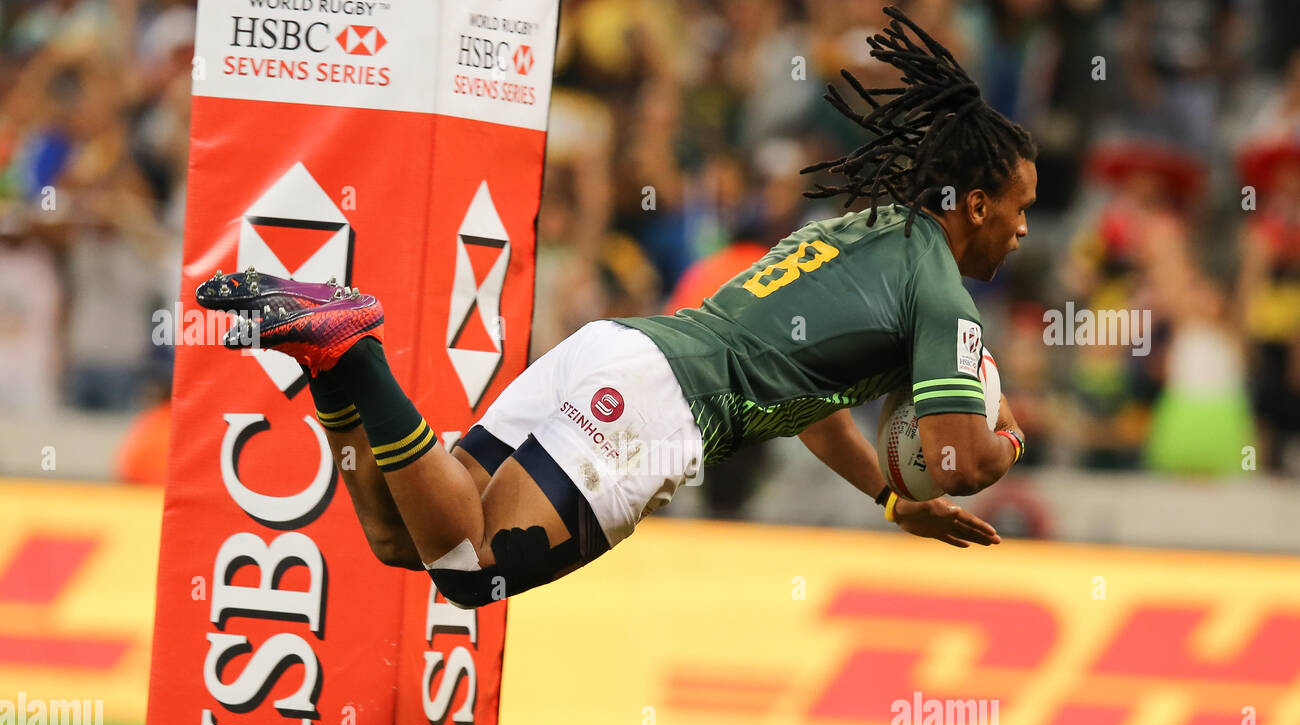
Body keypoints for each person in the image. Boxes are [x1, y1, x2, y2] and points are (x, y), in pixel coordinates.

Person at [197, 7, 1029, 610]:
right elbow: (961, 461)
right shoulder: (942, 297)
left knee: (397, 537)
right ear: (979, 203)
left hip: (619, 353)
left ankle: (329, 360)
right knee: (469, 570)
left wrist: (887, 498)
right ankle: (358, 352)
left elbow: (814, 409)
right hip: (659, 408)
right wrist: (1008, 430)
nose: (1026, 231)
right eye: (1021, 207)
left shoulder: (865, 232)